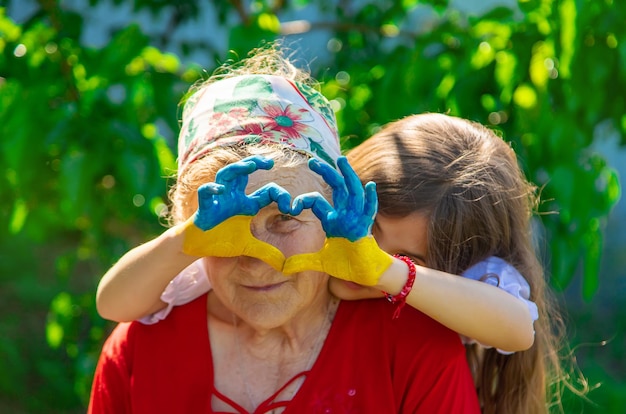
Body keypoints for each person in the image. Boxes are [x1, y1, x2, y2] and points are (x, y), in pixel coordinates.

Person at [88, 44, 481, 413]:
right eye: (226, 225)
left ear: (332, 210)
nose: (257, 259)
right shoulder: (140, 349)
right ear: (185, 224)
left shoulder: (414, 348)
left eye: (286, 219)